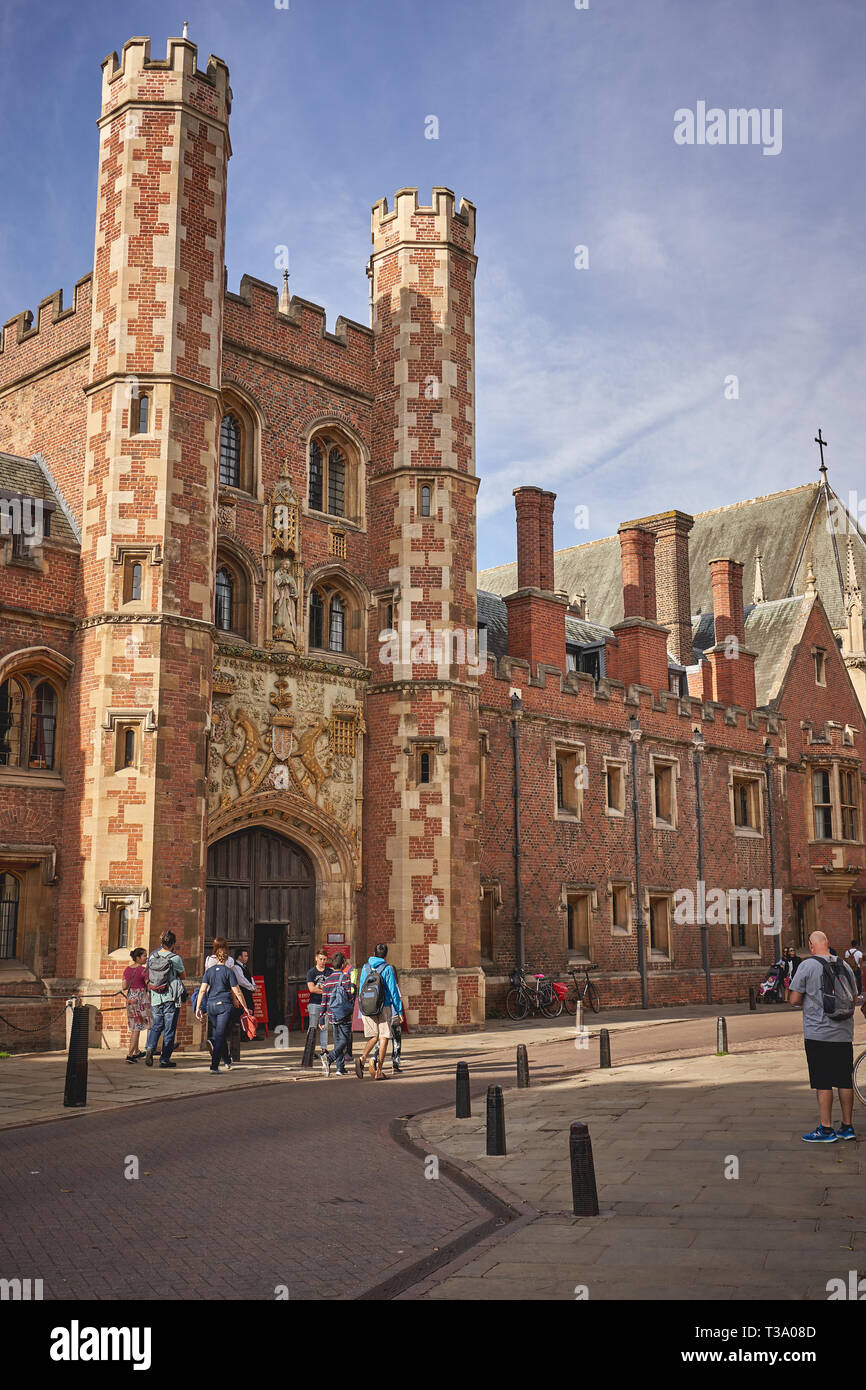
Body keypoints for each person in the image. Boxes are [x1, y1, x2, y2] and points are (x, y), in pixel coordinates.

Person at [788, 930, 860, 1142]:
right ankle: (847, 1127)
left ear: (811, 946)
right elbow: (854, 997)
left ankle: (826, 1129)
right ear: (827, 943)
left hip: (818, 1032)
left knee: (823, 1082)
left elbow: (793, 999)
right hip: (844, 1033)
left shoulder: (807, 965)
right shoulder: (845, 966)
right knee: (844, 1081)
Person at [195, 942, 250, 1074]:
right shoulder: (228, 971)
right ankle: (214, 1066)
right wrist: (245, 1007)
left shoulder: (209, 972)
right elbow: (237, 991)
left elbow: (202, 991)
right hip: (224, 1006)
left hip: (211, 1006)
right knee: (220, 1035)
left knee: (220, 1033)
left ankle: (226, 1060)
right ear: (226, 958)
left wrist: (198, 1007)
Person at [355, 943, 402, 1081]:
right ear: (385, 955)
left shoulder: (365, 967)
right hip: (384, 1006)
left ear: (374, 953)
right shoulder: (387, 969)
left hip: (368, 1006)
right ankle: (379, 1071)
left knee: (373, 1037)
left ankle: (363, 1058)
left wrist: (362, 1006)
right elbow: (393, 991)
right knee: (383, 1038)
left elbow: (361, 988)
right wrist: (398, 1010)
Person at [144, 931, 185, 1069]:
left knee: (156, 1026)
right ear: (173, 944)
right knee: (169, 1029)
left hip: (155, 995)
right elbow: (183, 975)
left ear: (162, 942)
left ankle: (150, 1048)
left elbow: (147, 974)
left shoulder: (152, 957)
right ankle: (164, 1059)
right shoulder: (175, 958)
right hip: (170, 997)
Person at [319, 952, 355, 1076]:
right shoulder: (345, 978)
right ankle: (330, 1058)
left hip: (332, 1015)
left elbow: (324, 1001)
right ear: (343, 963)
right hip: (344, 1014)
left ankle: (340, 1068)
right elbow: (350, 997)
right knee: (344, 1040)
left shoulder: (327, 980)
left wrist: (321, 1018)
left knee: (337, 1041)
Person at [121, 947, 151, 1062]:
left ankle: (136, 1051)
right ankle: (129, 1055)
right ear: (138, 958)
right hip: (140, 1000)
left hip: (130, 999)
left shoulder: (127, 969)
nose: (146, 958)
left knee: (134, 1024)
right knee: (136, 1028)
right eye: (144, 956)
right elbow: (149, 986)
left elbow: (124, 986)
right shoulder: (144, 971)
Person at [306, 948, 332, 1050]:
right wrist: (325, 990)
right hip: (314, 1003)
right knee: (312, 1027)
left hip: (325, 1004)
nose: (322, 962)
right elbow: (311, 989)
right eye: (320, 959)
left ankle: (324, 1049)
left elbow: (332, 987)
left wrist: (320, 989)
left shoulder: (329, 972)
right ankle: (309, 1049)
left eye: (324, 959)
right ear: (316, 958)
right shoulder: (311, 972)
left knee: (324, 1027)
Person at [233, 947, 256, 1012]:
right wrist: (251, 987)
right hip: (242, 994)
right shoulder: (236, 967)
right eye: (245, 956)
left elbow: (249, 977)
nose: (247, 958)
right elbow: (241, 981)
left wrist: (253, 985)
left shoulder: (244, 966)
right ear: (239, 957)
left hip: (247, 994)